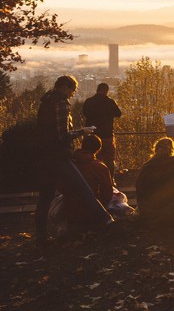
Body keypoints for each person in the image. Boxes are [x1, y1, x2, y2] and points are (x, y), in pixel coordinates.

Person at [34, 75, 112, 246]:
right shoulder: (60, 103)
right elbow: (62, 135)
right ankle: (107, 221)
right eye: (72, 90)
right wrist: (82, 132)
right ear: (64, 87)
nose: (72, 94)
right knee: (83, 187)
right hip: (58, 155)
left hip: (44, 155)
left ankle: (41, 235)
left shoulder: (46, 101)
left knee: (45, 196)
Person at [82, 82, 122, 183]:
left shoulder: (89, 101)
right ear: (106, 91)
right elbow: (118, 114)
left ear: (97, 90)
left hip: (92, 136)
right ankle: (110, 180)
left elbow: (84, 113)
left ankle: (93, 181)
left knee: (93, 159)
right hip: (107, 135)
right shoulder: (110, 102)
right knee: (109, 160)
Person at [135, 137, 174, 218]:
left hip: (146, 208)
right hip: (166, 209)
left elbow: (140, 188)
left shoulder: (147, 166)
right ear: (172, 150)